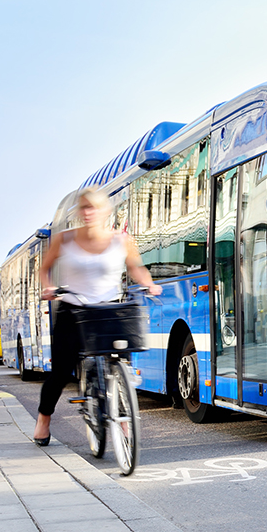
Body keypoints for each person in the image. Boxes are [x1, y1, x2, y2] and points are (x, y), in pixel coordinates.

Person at [32, 188, 162, 446]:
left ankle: (123, 419)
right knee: (60, 371)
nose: (88, 212)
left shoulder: (121, 240)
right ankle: (44, 419)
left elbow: (136, 268)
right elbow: (44, 269)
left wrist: (149, 284)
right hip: (73, 310)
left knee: (120, 362)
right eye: (84, 208)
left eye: (93, 207)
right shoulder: (64, 239)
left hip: (110, 310)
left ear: (106, 211)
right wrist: (48, 287)